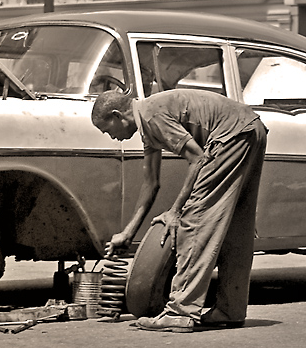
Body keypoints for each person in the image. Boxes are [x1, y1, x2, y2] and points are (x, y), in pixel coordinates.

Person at [91, 88, 268, 332]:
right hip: (250, 129)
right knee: (235, 226)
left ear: (117, 115)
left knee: (194, 221)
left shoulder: (153, 116)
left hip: (230, 135)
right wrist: (128, 233)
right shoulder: (147, 121)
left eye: (107, 130)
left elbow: (197, 158)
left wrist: (176, 211)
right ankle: (230, 308)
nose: (112, 137)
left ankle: (181, 311)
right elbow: (151, 182)